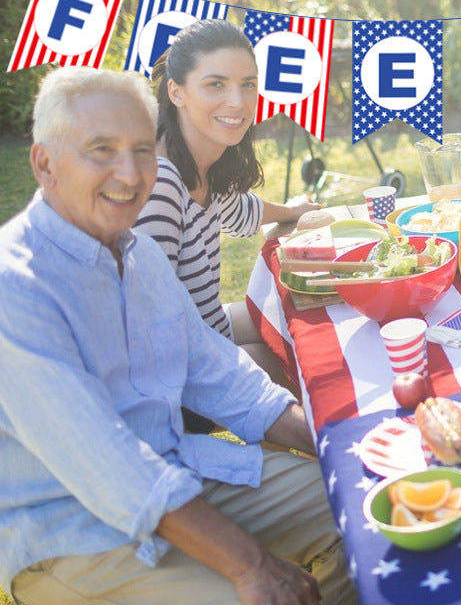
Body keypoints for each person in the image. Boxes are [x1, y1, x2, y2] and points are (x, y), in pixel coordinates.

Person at [0, 66, 356, 605]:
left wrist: (338, 447)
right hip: (73, 533)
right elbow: (109, 465)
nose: (129, 172)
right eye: (101, 149)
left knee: (363, 502)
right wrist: (251, 565)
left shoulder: (136, 252)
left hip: (178, 471)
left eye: (143, 150)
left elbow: (217, 371)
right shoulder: (15, 287)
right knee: (250, 592)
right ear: (44, 163)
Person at [135, 19, 318, 391]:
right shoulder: (159, 183)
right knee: (305, 366)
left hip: (207, 331)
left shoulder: (200, 162)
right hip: (177, 376)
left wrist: (293, 212)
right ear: (177, 92)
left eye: (247, 84)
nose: (237, 102)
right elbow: (150, 331)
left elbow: (240, 212)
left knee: (300, 314)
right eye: (215, 84)